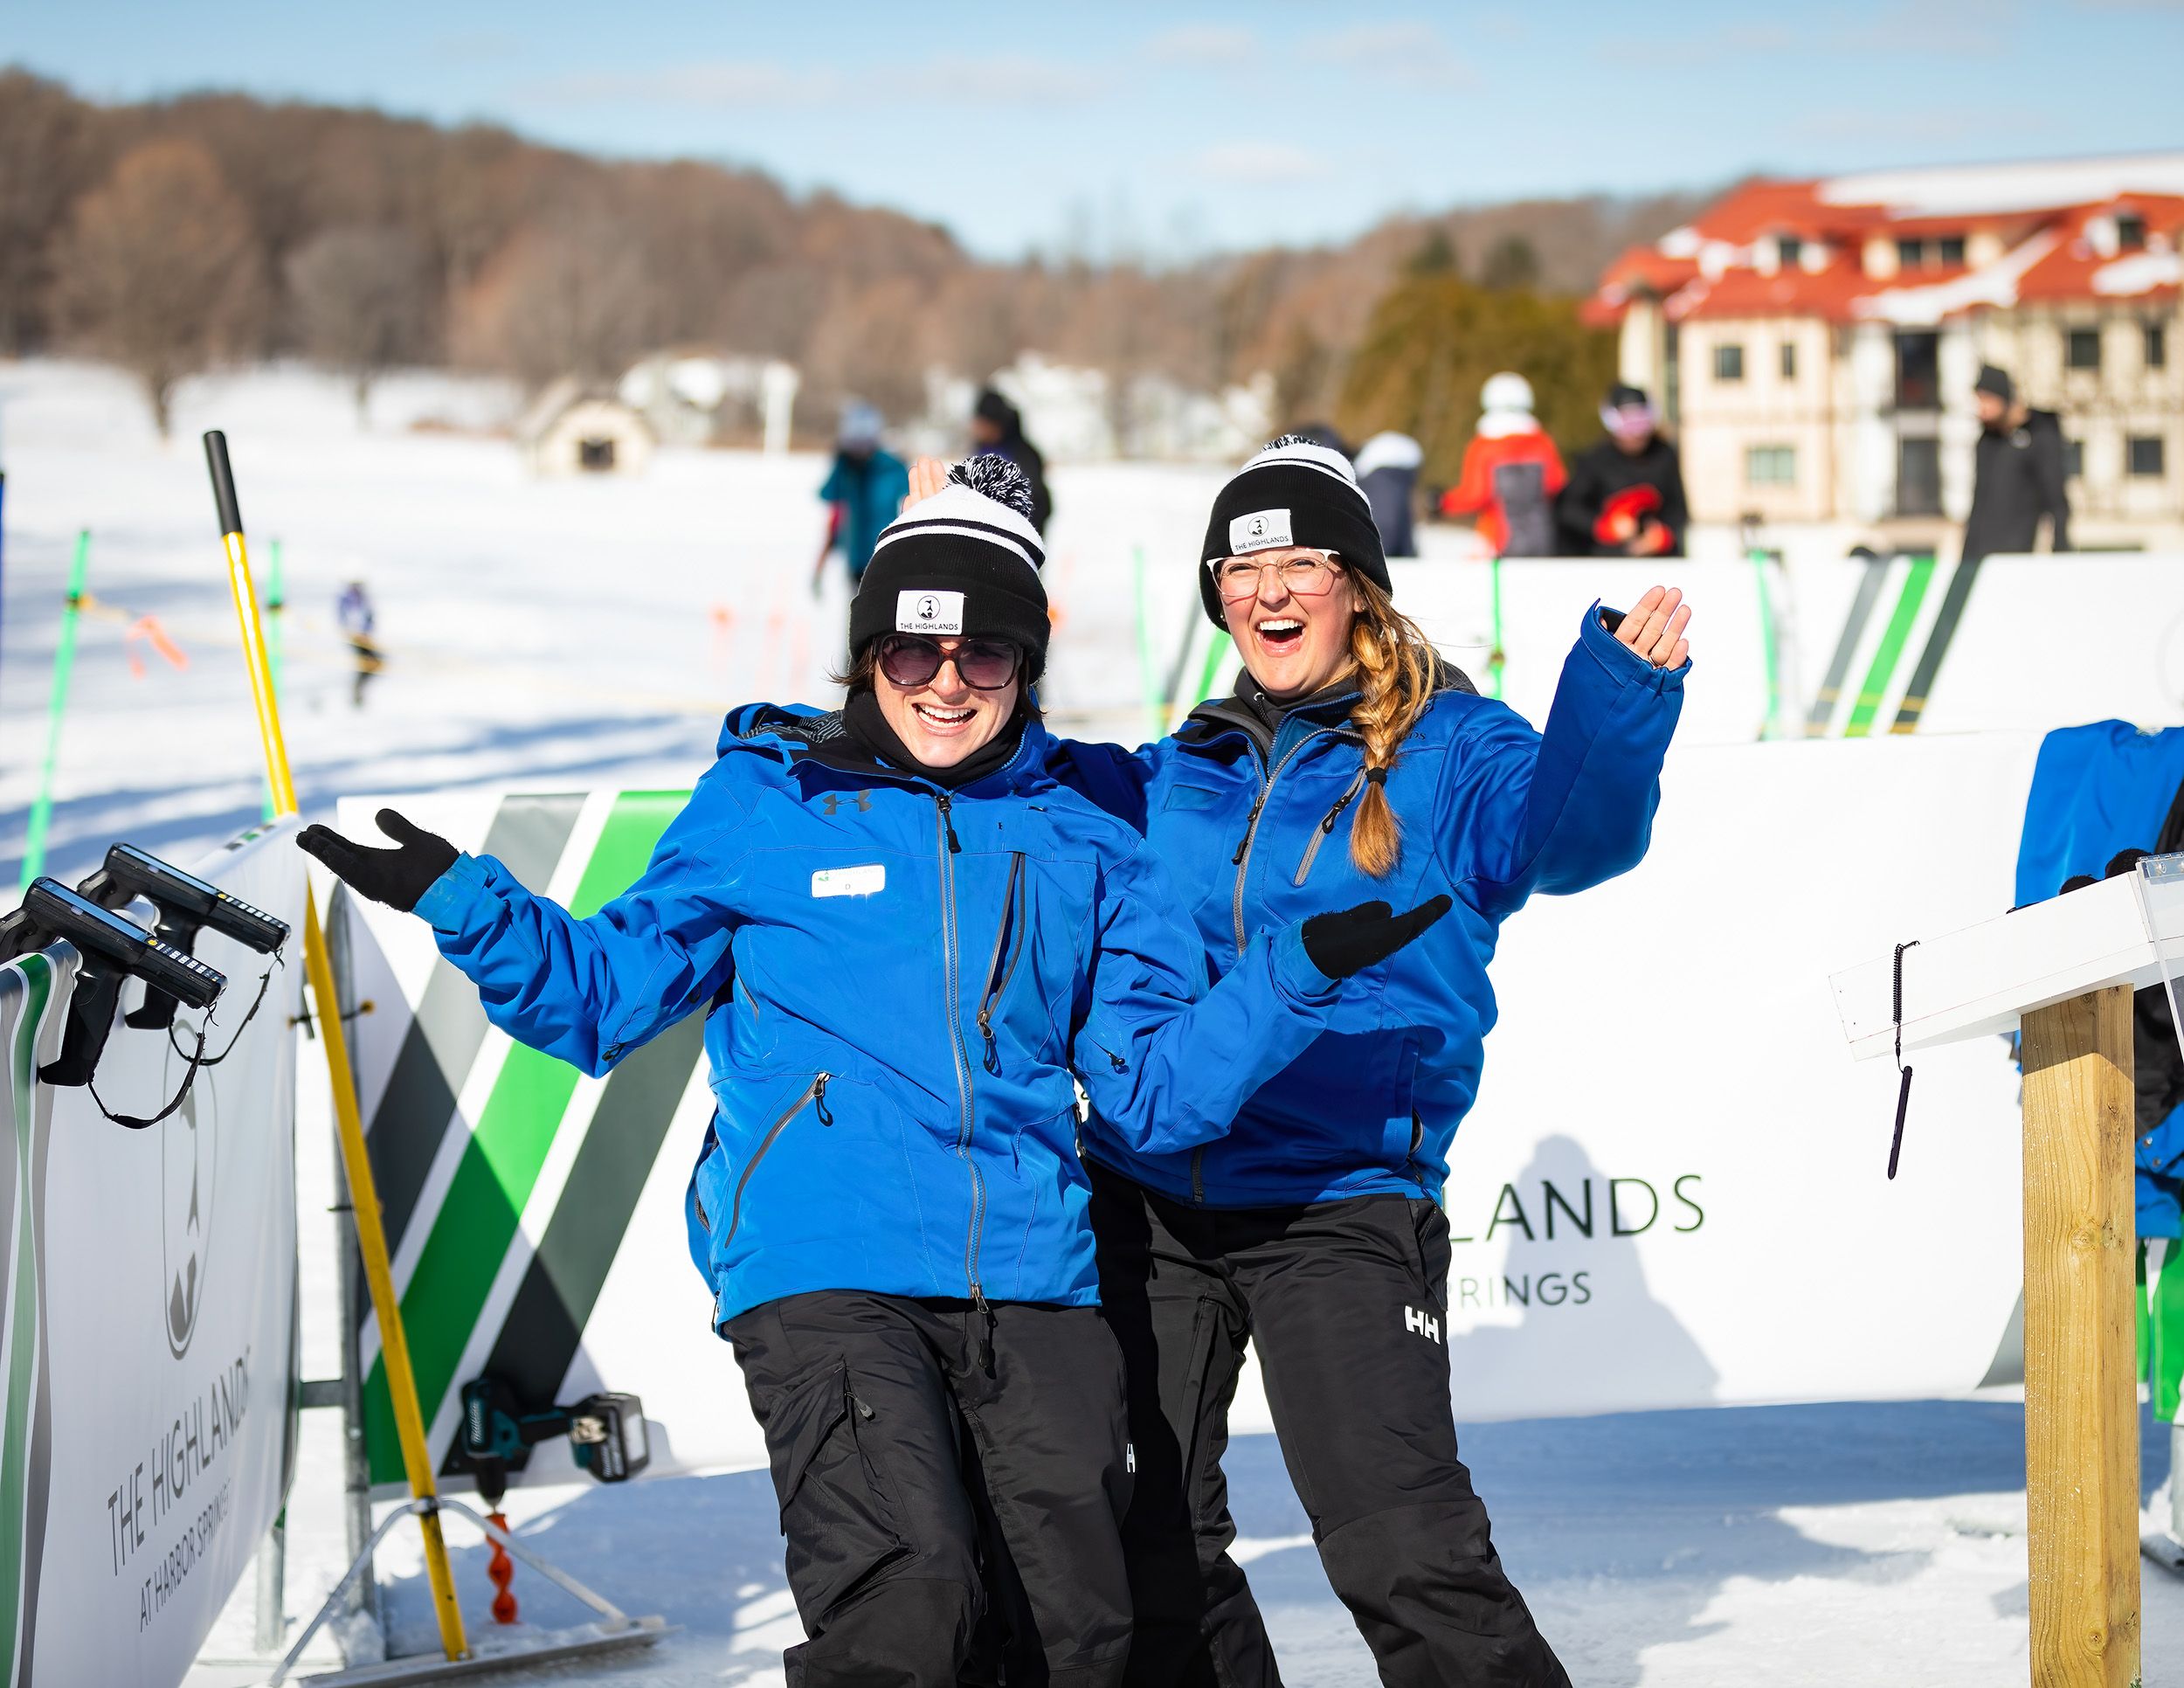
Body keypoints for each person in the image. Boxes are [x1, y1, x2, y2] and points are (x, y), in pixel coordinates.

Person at [296, 454, 1448, 1688]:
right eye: (912, 654)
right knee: (910, 1598)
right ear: (867, 658)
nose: (946, 685)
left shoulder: (1083, 830)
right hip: (823, 1259)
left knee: (1082, 1631)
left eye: (983, 656)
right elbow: (604, 1000)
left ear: (1024, 665)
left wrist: (1291, 979)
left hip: (1032, 1275)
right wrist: (463, 900)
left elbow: (1152, 1091)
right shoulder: (768, 805)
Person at [1048, 434, 1690, 1687]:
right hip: (1153, 1194)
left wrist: (1616, 699)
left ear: (1357, 580)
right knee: (1144, 1541)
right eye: (1241, 568)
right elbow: (999, 770)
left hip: (1339, 1198)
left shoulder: (1450, 747)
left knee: (1400, 1553)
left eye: (1300, 561)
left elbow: (1571, 839)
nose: (1268, 590)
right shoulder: (1184, 767)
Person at [1439, 372, 1565, 557]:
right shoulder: (1542, 442)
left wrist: (1443, 503)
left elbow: (1476, 495)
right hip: (1541, 538)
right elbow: (1556, 484)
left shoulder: (1484, 445)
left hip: (1497, 541)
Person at [1557, 383, 1688, 557]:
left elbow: (1678, 510)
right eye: (1627, 423)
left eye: (1641, 422)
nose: (1635, 433)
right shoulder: (1595, 460)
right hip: (1608, 563)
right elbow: (1569, 510)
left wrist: (1662, 536)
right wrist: (1604, 526)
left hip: (1658, 563)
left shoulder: (1664, 456)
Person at [1963, 363, 2070, 563]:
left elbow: (2056, 499)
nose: (1981, 409)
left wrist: (2061, 551)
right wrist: (1966, 558)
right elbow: (1978, 503)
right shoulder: (1987, 441)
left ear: (2002, 398)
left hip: (2015, 557)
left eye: (1986, 400)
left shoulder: (2039, 435)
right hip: (1978, 557)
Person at [812, 401, 911, 595]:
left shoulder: (891, 467)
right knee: (858, 615)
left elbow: (915, 499)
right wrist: (839, 463)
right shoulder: (846, 469)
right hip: (856, 560)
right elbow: (828, 497)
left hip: (887, 555)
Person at [971, 387, 1054, 535]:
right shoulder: (982, 449)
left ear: (996, 424)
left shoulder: (1021, 454)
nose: (977, 429)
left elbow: (1036, 500)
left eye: (983, 424)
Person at [1351, 431, 1422, 558]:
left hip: (1383, 553)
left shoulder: (1372, 476)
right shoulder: (1394, 482)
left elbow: (1384, 526)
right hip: (1400, 555)